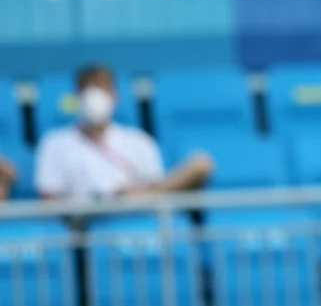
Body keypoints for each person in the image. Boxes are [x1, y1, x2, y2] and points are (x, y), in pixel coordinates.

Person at [34, 64, 212, 203]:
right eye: (88, 90)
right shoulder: (54, 143)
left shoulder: (139, 140)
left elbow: (157, 191)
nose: (95, 97)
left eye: (102, 89)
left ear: (115, 96)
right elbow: (50, 201)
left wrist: (131, 196)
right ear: (77, 98)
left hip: (137, 218)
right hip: (84, 228)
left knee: (200, 162)